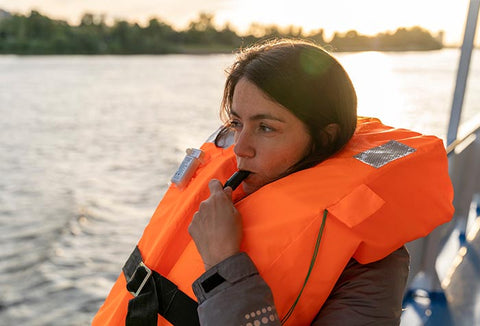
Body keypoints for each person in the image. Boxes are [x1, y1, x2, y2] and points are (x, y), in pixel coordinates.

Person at [93, 39, 453, 326]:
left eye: (266, 128)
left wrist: (224, 263)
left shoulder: (368, 263)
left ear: (324, 138)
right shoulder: (224, 197)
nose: (241, 149)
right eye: (237, 124)